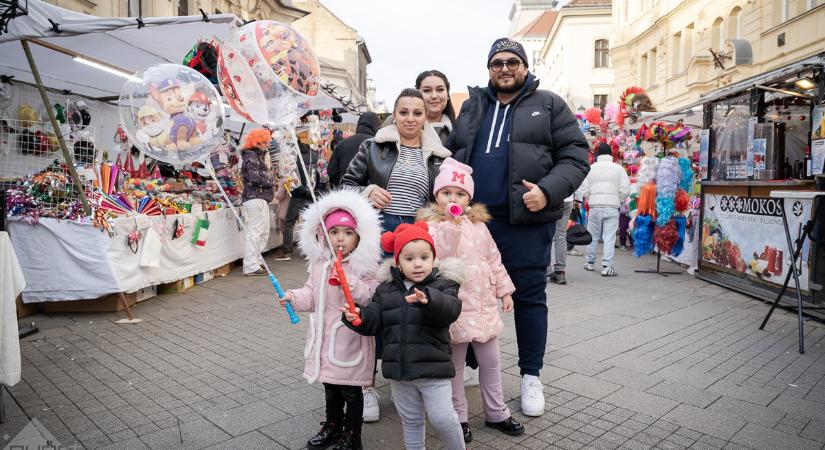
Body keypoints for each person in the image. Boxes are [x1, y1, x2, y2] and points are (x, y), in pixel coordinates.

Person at [447, 37, 590, 416]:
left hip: (525, 221)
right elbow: (453, 155)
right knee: (467, 295)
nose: (505, 68)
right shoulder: (473, 106)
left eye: (513, 61)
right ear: (489, 68)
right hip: (473, 224)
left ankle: (530, 376)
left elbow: (576, 157)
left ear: (524, 66)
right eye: (497, 63)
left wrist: (547, 191)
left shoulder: (549, 105)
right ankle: (473, 365)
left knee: (527, 297)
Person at [417, 158, 525, 443]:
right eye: (446, 193)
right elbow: (439, 255)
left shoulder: (479, 226)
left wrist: (505, 290)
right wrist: (450, 226)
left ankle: (496, 411)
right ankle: (458, 416)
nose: (453, 198)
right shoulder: (432, 226)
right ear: (436, 196)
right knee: (455, 365)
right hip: (455, 307)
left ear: (469, 198)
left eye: (460, 193)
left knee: (491, 362)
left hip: (484, 304)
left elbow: (493, 258)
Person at [342, 222, 465, 450]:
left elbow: (451, 310)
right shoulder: (385, 290)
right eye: (409, 259)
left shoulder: (443, 285)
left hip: (433, 370)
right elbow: (374, 320)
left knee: (443, 418)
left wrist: (429, 300)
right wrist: (357, 316)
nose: (418, 264)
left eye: (424, 257)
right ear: (397, 262)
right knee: (410, 420)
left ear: (433, 258)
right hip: (399, 372)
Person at [280, 189, 383, 450]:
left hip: (349, 339)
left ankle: (352, 435)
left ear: (358, 237)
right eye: (334, 232)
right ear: (323, 234)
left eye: (348, 233)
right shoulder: (319, 265)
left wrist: (353, 283)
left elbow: (370, 296)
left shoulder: (363, 266)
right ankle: (332, 426)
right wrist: (294, 297)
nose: (341, 239)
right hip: (325, 341)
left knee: (351, 390)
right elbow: (312, 295)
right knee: (331, 387)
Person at [343, 89, 452, 233]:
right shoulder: (371, 147)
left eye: (417, 113)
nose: (410, 118)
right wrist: (368, 192)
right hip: (378, 228)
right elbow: (345, 186)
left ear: (426, 117)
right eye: (403, 112)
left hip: (420, 231)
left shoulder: (439, 156)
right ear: (394, 115)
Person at [577, 143, 630, 276]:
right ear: (611, 154)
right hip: (612, 207)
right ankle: (607, 266)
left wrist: (590, 198)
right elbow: (625, 189)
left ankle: (589, 262)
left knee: (593, 236)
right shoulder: (619, 169)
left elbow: (583, 188)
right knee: (609, 237)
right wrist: (619, 199)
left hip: (595, 206)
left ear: (597, 155)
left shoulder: (591, 168)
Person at [240, 129, 276, 276]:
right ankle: (251, 265)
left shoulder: (256, 156)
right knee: (256, 232)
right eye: (265, 142)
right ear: (258, 142)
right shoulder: (251, 156)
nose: (267, 145)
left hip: (259, 198)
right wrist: (270, 179)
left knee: (262, 231)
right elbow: (254, 177)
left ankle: (255, 262)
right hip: (255, 197)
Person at [328, 113, 381, 187]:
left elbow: (332, 172)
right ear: (377, 127)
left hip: (346, 192)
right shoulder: (378, 145)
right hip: (371, 194)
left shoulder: (341, 144)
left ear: (358, 125)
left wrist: (340, 186)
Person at [415, 70, 456, 146]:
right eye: (427, 90)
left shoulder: (460, 130)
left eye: (440, 90)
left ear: (447, 95)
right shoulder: (397, 124)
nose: (434, 96)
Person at [548, 194, 575, 284]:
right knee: (561, 236)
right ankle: (560, 272)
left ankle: (545, 269)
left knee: (547, 233)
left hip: (550, 198)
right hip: (567, 200)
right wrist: (578, 199)